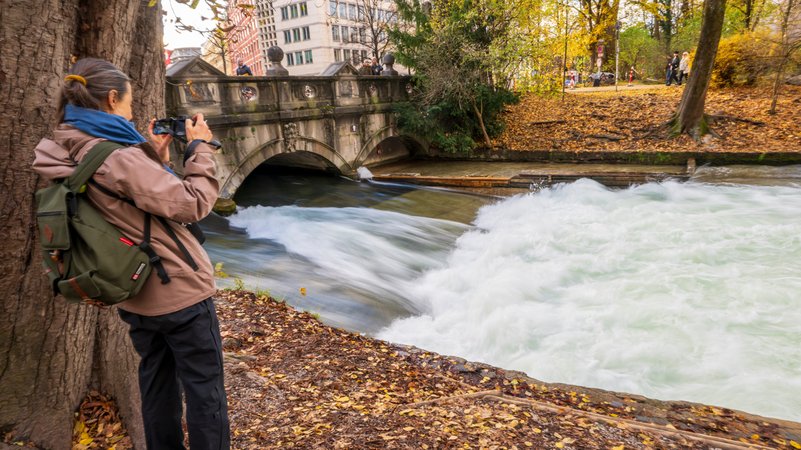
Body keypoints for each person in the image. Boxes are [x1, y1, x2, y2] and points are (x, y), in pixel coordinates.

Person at [32, 58, 230, 450]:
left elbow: (121, 206)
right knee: (205, 391)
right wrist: (201, 149)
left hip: (134, 291)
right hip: (180, 292)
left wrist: (151, 159)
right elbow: (191, 204)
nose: (132, 111)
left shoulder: (65, 148)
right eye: (128, 103)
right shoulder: (116, 155)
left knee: (157, 386)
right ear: (110, 99)